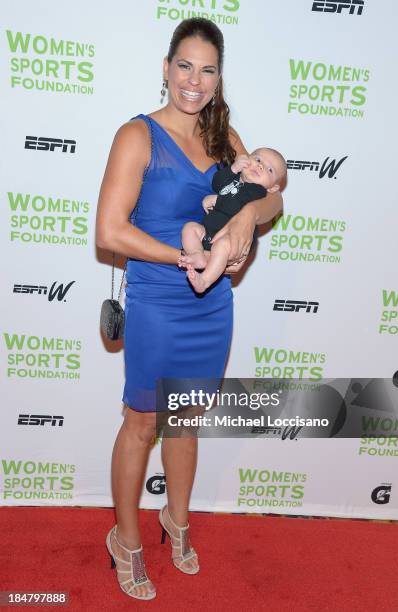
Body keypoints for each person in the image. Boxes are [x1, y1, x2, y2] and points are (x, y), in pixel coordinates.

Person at [95, 17, 282, 601]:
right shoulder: (137, 135)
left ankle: (177, 521)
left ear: (219, 77)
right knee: (144, 422)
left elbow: (270, 193)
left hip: (211, 308)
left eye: (207, 70)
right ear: (166, 67)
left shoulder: (224, 134)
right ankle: (125, 540)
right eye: (184, 66)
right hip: (156, 299)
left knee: (186, 421)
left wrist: (248, 216)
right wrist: (182, 254)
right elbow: (109, 231)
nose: (194, 81)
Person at [179, 147, 287, 292]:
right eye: (258, 159)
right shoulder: (235, 178)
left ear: (273, 188)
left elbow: (236, 205)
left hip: (232, 238)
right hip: (208, 231)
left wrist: (217, 200)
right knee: (190, 228)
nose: (260, 166)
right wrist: (233, 169)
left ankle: (204, 280)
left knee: (221, 247)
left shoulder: (258, 191)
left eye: (269, 170)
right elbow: (216, 183)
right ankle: (197, 254)